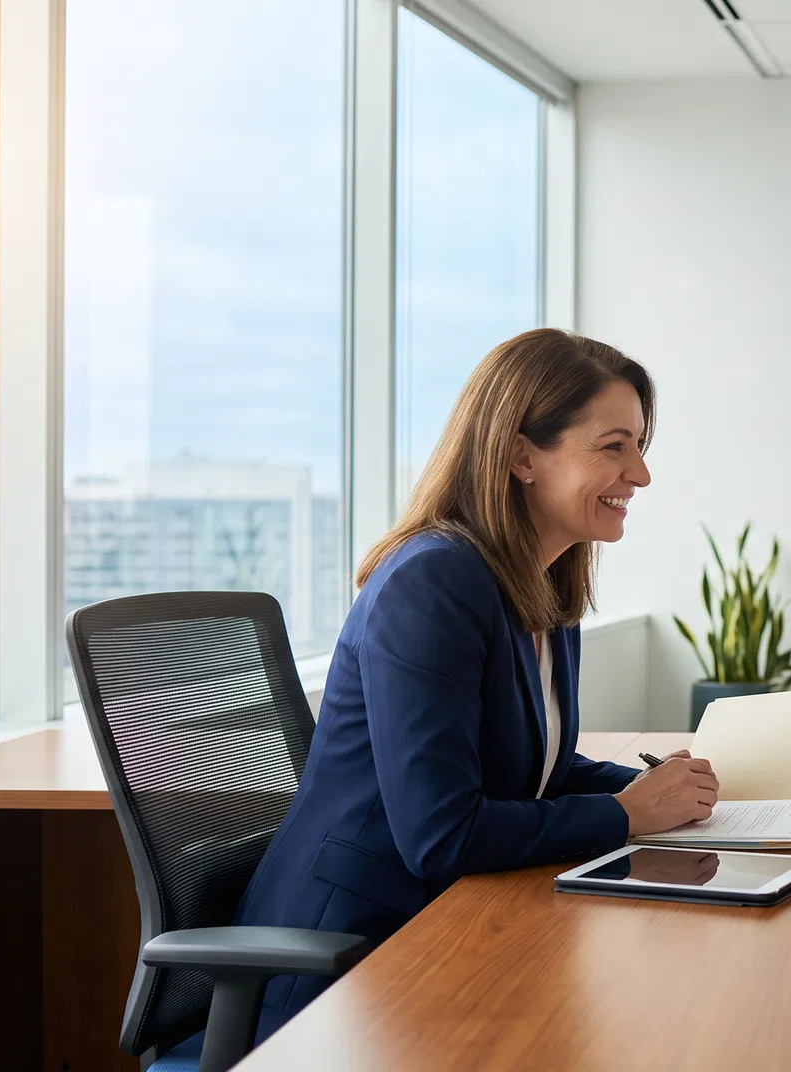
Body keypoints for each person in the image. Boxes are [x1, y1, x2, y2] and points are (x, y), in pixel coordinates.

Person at [235, 329, 720, 1029]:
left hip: (447, 928)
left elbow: (528, 764)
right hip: (351, 967)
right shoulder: (434, 579)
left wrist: (648, 788)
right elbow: (442, 833)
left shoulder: (545, 580)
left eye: (640, 447)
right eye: (614, 447)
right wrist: (629, 815)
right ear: (522, 454)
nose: (639, 475)